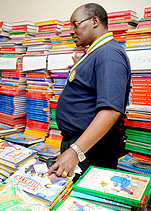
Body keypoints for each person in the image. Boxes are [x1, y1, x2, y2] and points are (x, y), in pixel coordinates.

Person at [47, 3, 131, 178]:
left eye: (75, 24)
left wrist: (75, 151)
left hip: (92, 149)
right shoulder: (96, 53)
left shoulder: (109, 54)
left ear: (94, 21)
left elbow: (110, 111)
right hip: (82, 144)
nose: (71, 31)